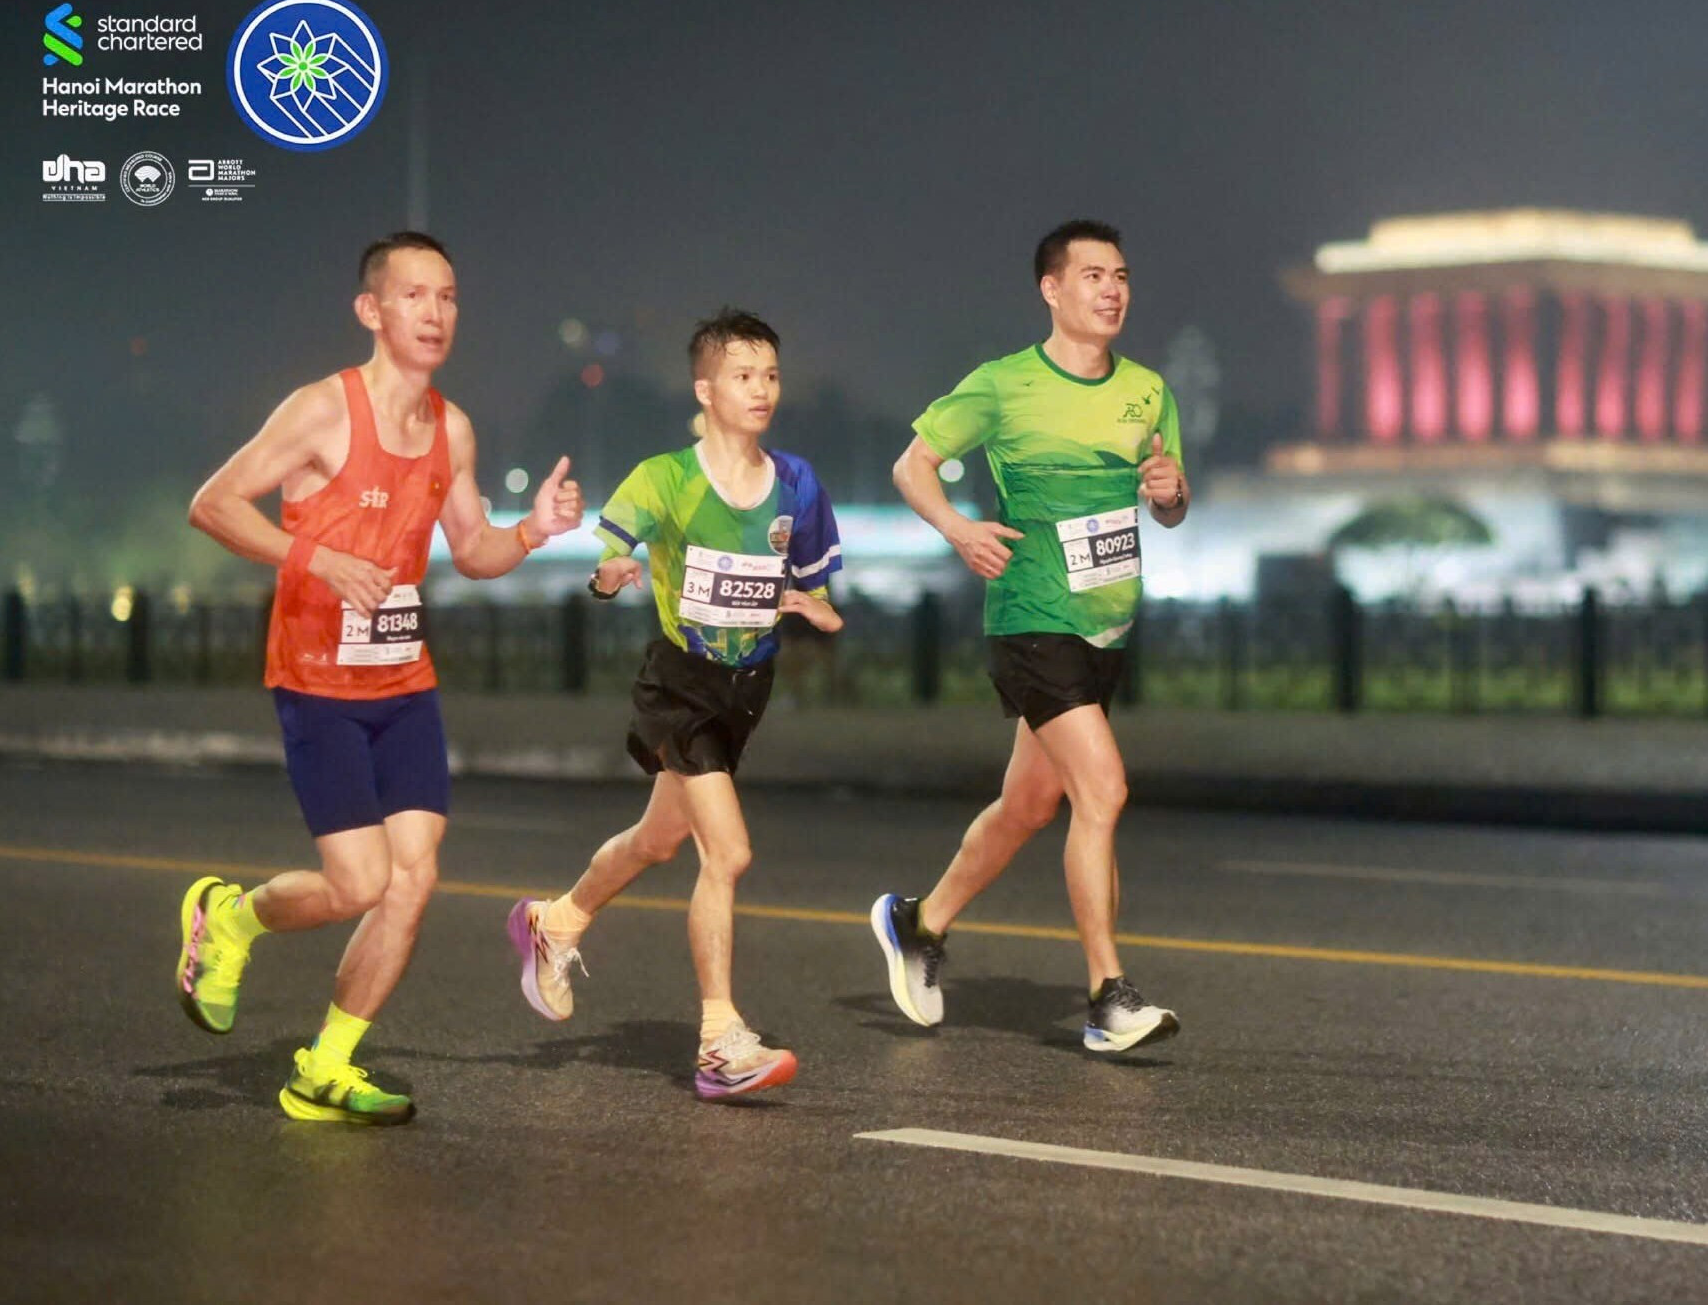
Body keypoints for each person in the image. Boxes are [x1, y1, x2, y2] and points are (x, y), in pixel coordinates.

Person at [177, 231, 584, 1124]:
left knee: (413, 880)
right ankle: (231, 920)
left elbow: (471, 550)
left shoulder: (453, 427)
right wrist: (315, 558)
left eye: (447, 298)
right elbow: (214, 504)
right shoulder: (321, 411)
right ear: (372, 310)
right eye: (413, 296)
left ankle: (323, 1066)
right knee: (358, 884)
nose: (434, 314)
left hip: (403, 684)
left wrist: (533, 531)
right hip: (316, 680)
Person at [869, 219, 1190, 1054]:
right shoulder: (1003, 385)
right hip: (1029, 617)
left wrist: (1168, 492)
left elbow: (1167, 504)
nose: (1111, 289)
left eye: (1120, 274)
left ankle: (919, 923)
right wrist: (957, 529)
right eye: (1091, 275)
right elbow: (911, 467)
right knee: (1103, 792)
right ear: (1051, 289)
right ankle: (1106, 997)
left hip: (1106, 620)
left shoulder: (1149, 390)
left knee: (1029, 804)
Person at [506, 308, 843, 1100]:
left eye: (769, 375)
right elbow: (610, 557)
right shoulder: (664, 478)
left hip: (744, 693)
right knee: (726, 853)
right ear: (705, 388)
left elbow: (815, 589)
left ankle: (555, 923)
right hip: (680, 685)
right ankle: (719, 1041)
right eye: (741, 375)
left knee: (656, 841)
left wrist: (815, 609)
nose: (759, 389)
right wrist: (608, 576)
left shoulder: (796, 483)